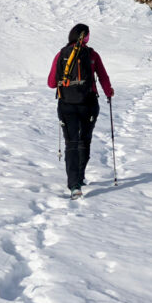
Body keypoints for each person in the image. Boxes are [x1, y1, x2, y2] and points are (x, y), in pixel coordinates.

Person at [47, 23, 114, 197]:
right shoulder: (92, 55)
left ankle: (74, 183)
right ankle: (81, 175)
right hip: (89, 103)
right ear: (86, 37)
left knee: (71, 144)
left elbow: (51, 83)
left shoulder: (61, 54)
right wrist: (109, 92)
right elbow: (103, 76)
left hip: (66, 104)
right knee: (85, 140)